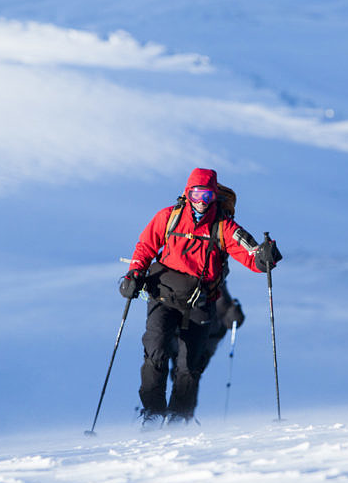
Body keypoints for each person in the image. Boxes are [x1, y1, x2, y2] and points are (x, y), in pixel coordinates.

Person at [119, 168, 281, 426]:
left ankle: (178, 418)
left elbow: (250, 254)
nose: (200, 201)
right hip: (163, 296)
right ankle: (152, 413)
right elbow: (146, 246)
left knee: (189, 364)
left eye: (206, 194)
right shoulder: (168, 217)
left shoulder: (223, 226)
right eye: (195, 193)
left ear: (213, 196)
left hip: (201, 301)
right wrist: (134, 274)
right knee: (155, 351)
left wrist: (264, 258)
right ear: (187, 193)